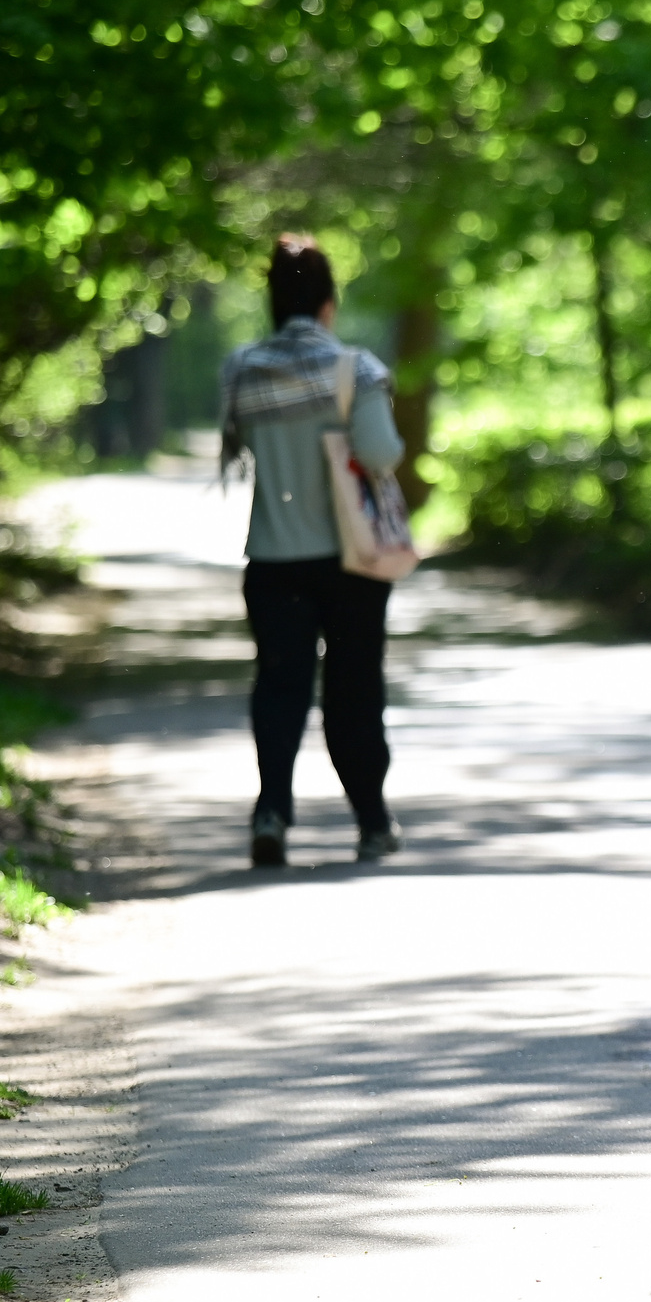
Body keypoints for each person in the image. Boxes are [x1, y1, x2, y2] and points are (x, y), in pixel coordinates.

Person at [219, 234, 405, 868]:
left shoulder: (242, 369)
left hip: (272, 559)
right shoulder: (356, 368)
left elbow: (239, 446)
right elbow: (380, 456)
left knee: (279, 687)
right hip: (351, 562)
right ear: (329, 304)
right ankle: (372, 822)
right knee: (354, 692)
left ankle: (271, 810)